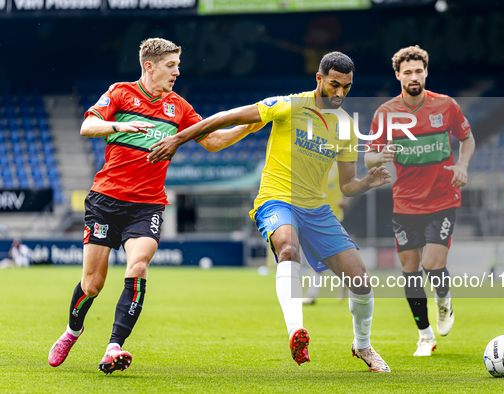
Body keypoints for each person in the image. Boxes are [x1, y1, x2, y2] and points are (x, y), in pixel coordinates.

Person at [147, 52, 392, 372]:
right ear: (319, 79)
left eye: (346, 87)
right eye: (334, 84)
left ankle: (362, 346)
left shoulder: (345, 125)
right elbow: (227, 117)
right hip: (276, 199)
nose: (339, 93)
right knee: (288, 247)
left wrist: (368, 182)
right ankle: (297, 332)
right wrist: (179, 138)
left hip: (316, 209)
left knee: (361, 282)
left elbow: (348, 186)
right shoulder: (287, 105)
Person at [48, 38, 262, 375]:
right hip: (105, 200)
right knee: (92, 284)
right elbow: (87, 126)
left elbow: (214, 141)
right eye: (170, 65)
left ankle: (113, 347)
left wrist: (252, 123)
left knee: (138, 267)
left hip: (147, 206)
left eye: (177, 65)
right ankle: (73, 331)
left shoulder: (180, 107)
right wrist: (119, 125)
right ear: (149, 66)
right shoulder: (120, 93)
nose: (177, 72)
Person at [364, 45, 475, 356]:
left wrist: (463, 165)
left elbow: (467, 138)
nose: (414, 76)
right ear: (398, 75)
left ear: (426, 72)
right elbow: (369, 157)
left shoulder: (446, 106)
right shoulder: (386, 113)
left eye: (418, 71)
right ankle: (424, 336)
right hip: (405, 204)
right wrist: (378, 157)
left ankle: (444, 300)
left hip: (442, 198)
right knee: (410, 270)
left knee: (431, 264)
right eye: (407, 72)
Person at [302, 161, 350, 305]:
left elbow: (350, 183)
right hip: (316, 215)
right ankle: (313, 294)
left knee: (331, 257)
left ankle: (346, 282)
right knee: (318, 255)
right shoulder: (313, 164)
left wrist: (347, 200)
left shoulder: (339, 165)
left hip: (334, 216)